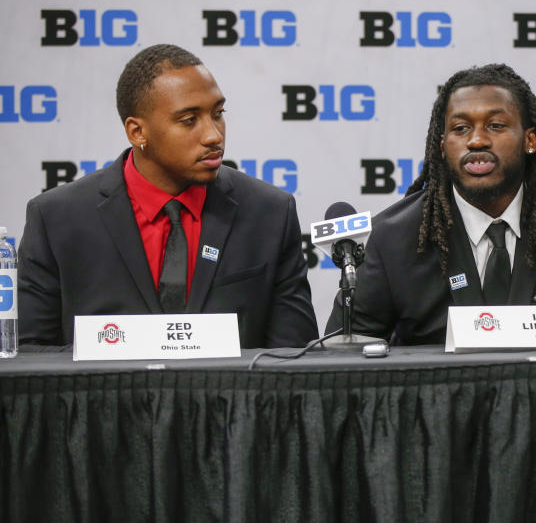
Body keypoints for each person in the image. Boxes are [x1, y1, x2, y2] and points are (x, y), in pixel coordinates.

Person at [18, 44, 318, 348]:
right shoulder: (57, 220)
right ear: (137, 132)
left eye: (218, 113)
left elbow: (292, 362)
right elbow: (33, 361)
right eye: (189, 120)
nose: (214, 135)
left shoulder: (269, 213)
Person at [327, 63, 536, 345]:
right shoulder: (394, 238)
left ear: (530, 141)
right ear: (443, 147)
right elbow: (344, 360)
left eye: (496, 125)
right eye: (460, 129)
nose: (476, 141)